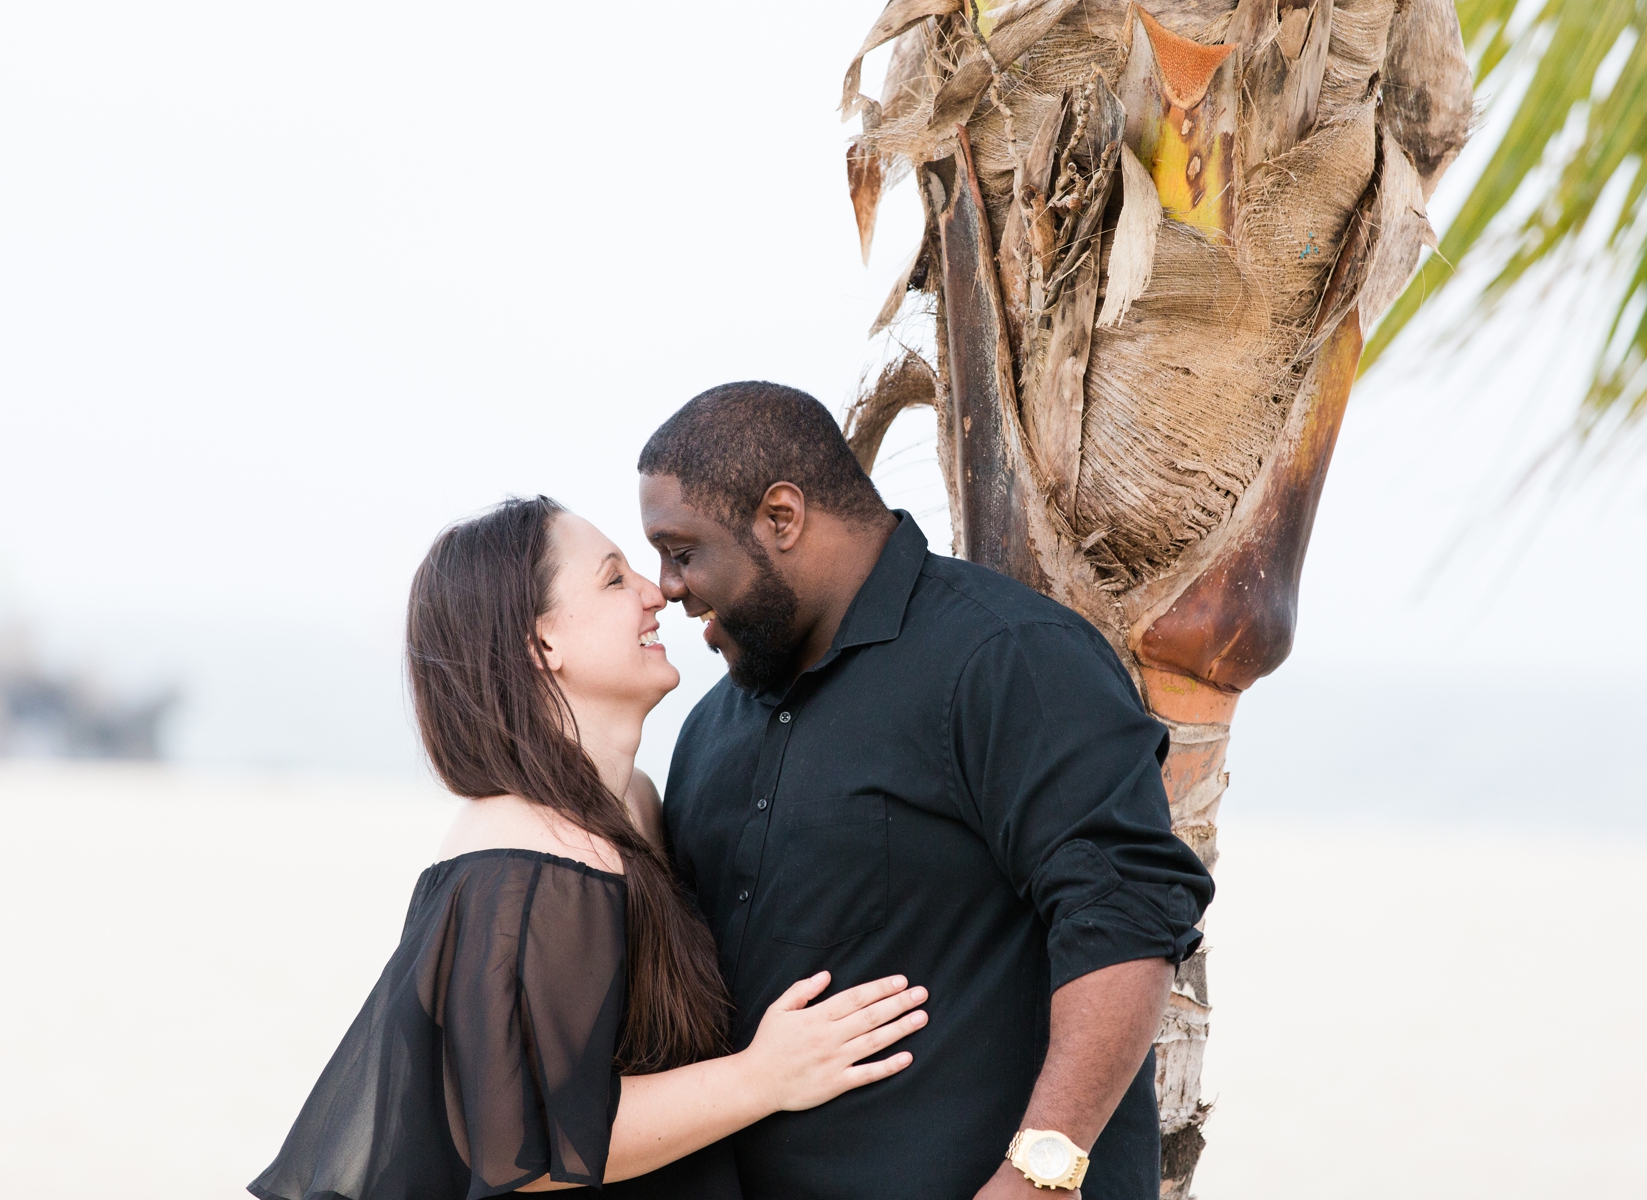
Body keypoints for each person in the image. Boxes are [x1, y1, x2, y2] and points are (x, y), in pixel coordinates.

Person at [249, 496, 929, 1200]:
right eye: (614, 580)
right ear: (542, 645)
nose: (656, 592)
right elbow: (526, 1144)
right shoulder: (532, 850)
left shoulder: (626, 804)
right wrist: (765, 1076)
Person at [638, 383, 1216, 1200]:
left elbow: (1125, 916)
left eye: (683, 551)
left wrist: (1037, 1179)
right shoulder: (710, 729)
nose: (666, 585)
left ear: (781, 517)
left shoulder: (1008, 657)